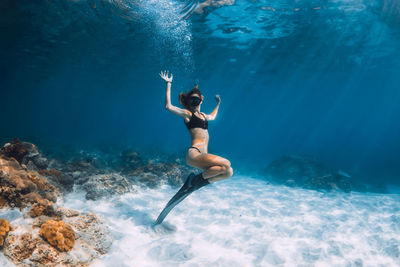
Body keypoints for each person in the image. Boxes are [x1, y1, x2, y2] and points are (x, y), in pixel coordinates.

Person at [154, 70, 233, 224]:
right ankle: (193, 182)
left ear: (201, 101)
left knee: (228, 172)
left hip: (203, 156)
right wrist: (168, 84)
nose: (194, 103)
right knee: (226, 163)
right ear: (188, 102)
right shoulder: (188, 115)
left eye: (196, 100)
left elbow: (214, 115)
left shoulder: (204, 116)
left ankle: (195, 183)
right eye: (192, 101)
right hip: (195, 154)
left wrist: (218, 103)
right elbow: (168, 106)